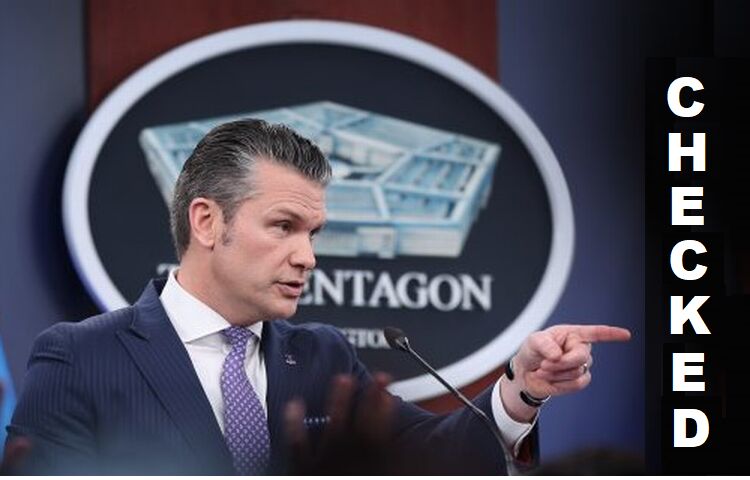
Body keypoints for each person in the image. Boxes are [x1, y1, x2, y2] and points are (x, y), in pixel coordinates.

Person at [6, 120, 630, 475]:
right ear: (207, 222)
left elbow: (430, 455)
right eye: (284, 227)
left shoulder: (321, 356)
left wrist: (522, 389)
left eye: (313, 234)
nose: (307, 256)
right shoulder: (81, 357)